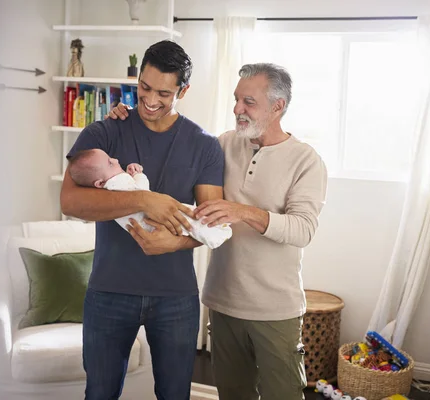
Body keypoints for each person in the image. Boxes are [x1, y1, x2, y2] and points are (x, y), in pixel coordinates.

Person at [107, 62, 328, 400]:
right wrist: (127, 119)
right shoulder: (224, 144)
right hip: (223, 304)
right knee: (233, 395)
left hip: (275, 310)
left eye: (248, 102)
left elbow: (303, 229)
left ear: (278, 106)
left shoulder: (306, 161)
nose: (237, 109)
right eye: (236, 99)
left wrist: (243, 212)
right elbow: (169, 150)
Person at [61, 40, 225, 400]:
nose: (150, 101)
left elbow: (211, 222)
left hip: (175, 296)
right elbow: (70, 201)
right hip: (109, 289)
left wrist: (177, 242)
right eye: (144, 88)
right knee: (99, 393)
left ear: (184, 90)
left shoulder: (205, 146)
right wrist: (143, 200)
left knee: (174, 395)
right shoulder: (104, 132)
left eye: (164, 93)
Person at [67, 148, 232, 249]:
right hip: (149, 220)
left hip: (144, 227)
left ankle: (215, 232)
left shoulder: (109, 186)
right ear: (100, 182)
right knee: (187, 219)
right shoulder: (117, 182)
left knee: (186, 223)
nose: (116, 160)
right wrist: (139, 174)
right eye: (110, 163)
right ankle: (216, 234)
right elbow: (144, 194)